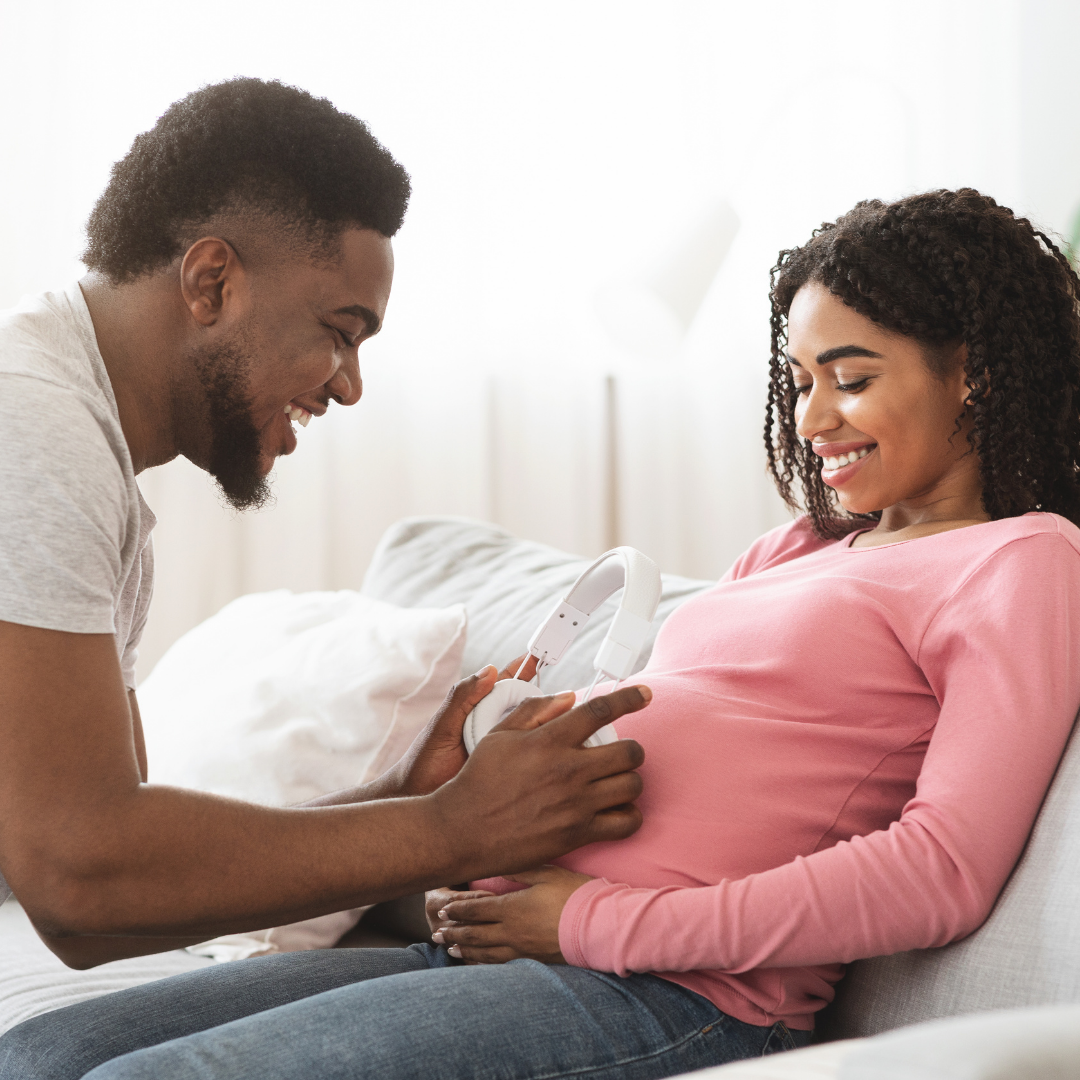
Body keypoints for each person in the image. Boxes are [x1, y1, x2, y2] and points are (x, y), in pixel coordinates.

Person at [4, 190, 1079, 1079]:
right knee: (47, 1054)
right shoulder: (795, 548)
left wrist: (590, 925)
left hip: (667, 996)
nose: (809, 420)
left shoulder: (1023, 563)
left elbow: (941, 871)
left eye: (851, 378)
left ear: (972, 370)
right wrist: (480, 782)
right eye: (799, 383)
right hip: (495, 953)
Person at [0, 77, 650, 974]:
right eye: (341, 332)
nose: (347, 385)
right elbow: (82, 879)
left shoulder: (77, 442)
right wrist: (452, 829)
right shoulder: (32, 431)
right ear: (211, 280)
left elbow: (111, 907)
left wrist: (398, 801)